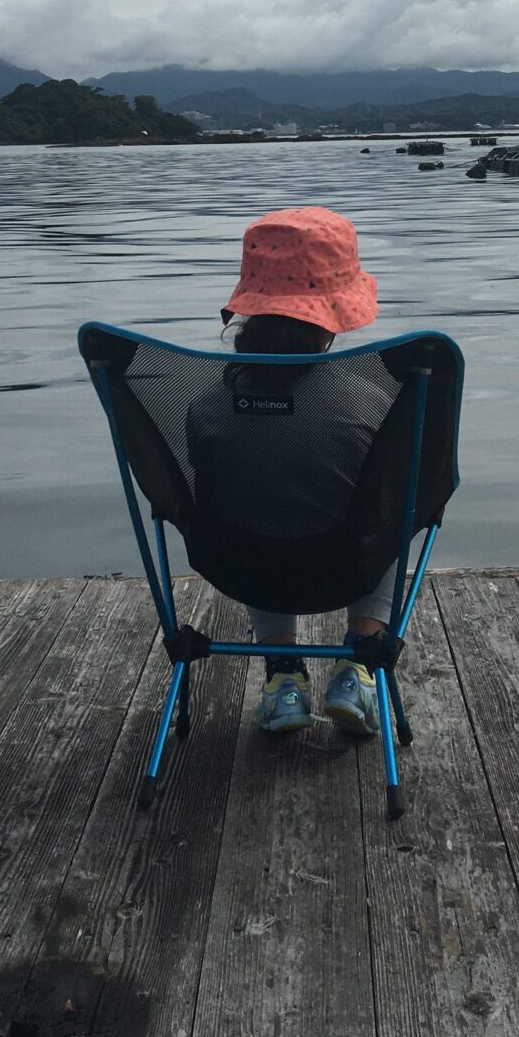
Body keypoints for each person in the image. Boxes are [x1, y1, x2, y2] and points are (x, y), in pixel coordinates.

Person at [184, 206, 396, 736]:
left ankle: (283, 680)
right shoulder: (370, 403)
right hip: (348, 567)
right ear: (332, 315)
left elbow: (204, 491)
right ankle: (359, 665)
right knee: (397, 511)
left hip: (243, 567)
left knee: (253, 511)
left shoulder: (207, 406)